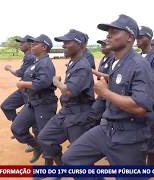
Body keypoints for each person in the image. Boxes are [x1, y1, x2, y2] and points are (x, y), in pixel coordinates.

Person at [61, 14, 154, 180]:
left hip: (130, 136)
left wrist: (105, 93)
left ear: (130, 37)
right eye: (108, 31)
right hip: (108, 128)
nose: (108, 35)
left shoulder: (139, 64)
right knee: (72, 159)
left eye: (115, 31)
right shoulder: (116, 62)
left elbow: (140, 107)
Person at [38, 29, 95, 166]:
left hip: (79, 115)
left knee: (80, 158)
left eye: (67, 42)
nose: (63, 45)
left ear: (80, 45)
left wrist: (56, 82)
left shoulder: (82, 65)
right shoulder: (73, 62)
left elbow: (69, 91)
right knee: (45, 137)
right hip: (67, 111)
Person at [11, 34, 58, 164]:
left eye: (35, 44)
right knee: (17, 128)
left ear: (44, 47)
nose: (31, 45)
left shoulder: (46, 63)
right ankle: (37, 147)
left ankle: (53, 165)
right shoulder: (37, 61)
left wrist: (23, 84)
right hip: (33, 102)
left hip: (44, 104)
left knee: (45, 137)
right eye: (31, 43)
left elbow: (43, 82)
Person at [1, 35, 36, 152]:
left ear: (31, 44)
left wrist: (9, 68)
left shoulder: (31, 57)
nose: (20, 44)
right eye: (19, 42)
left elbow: (19, 73)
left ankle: (32, 142)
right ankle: (20, 127)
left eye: (23, 42)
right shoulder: (28, 56)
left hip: (30, 90)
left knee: (32, 114)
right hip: (23, 89)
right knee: (6, 106)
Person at [137, 26, 154, 165]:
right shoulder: (137, 56)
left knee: (149, 131)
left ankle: (150, 163)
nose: (138, 39)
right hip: (139, 100)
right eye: (137, 36)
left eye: (141, 37)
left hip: (152, 100)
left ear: (149, 38)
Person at [87, 39, 115, 126]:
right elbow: (100, 76)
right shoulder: (103, 58)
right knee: (94, 115)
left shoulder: (113, 58)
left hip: (110, 94)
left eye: (104, 45)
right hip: (101, 94)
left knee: (104, 117)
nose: (102, 47)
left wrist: (93, 71)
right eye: (101, 45)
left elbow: (111, 77)